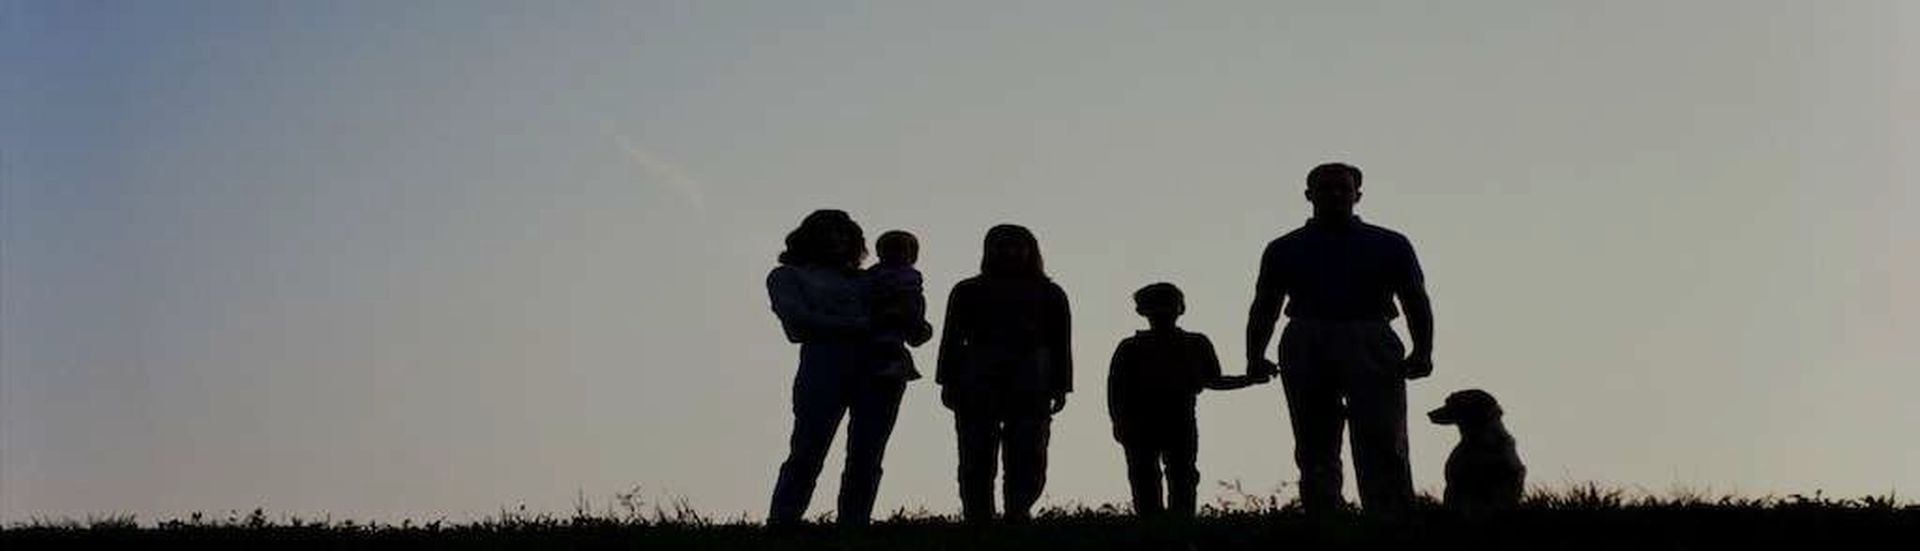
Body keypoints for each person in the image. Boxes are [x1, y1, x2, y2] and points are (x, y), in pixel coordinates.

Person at [1244, 163, 1436, 518]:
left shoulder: (1390, 244)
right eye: (1325, 189)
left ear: (1357, 195)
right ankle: (1323, 516)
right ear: (1309, 195)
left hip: (1371, 335)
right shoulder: (1285, 248)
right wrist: (1255, 356)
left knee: (1382, 436)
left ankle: (1391, 517)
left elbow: (1415, 299)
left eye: (1342, 189)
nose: (1334, 195)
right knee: (1314, 440)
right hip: (1307, 336)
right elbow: (1265, 305)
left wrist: (1423, 350)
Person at [764, 209, 905, 527]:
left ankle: (854, 524)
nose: (835, 240)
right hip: (823, 366)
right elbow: (798, 324)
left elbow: (904, 318)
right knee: (807, 450)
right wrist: (863, 324)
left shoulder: (872, 279)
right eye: (827, 232)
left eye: (842, 233)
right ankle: (782, 522)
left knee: (867, 456)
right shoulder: (788, 275)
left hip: (880, 368)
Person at [936, 224, 1072, 523]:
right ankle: (978, 513)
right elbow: (952, 339)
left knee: (1028, 450)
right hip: (978, 376)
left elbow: (1060, 342)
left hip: (1032, 377)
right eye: (1002, 245)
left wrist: (1061, 385)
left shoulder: (1050, 293)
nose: (1010, 252)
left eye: (1018, 245)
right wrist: (947, 380)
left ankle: (1018, 510)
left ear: (1031, 250)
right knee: (975, 451)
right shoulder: (967, 291)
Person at [1107, 282, 1266, 520]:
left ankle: (1170, 527)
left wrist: (1249, 380)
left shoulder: (1190, 344)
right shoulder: (1134, 348)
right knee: (1157, 476)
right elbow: (1116, 390)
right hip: (1148, 420)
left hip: (1172, 419)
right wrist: (1119, 421)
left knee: (1172, 475)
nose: (1162, 312)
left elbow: (1213, 380)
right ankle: (1164, 527)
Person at [866, 230, 933, 380]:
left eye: (902, 250)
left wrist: (918, 325)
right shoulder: (868, 279)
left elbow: (916, 327)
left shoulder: (911, 282)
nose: (897, 255)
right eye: (892, 249)